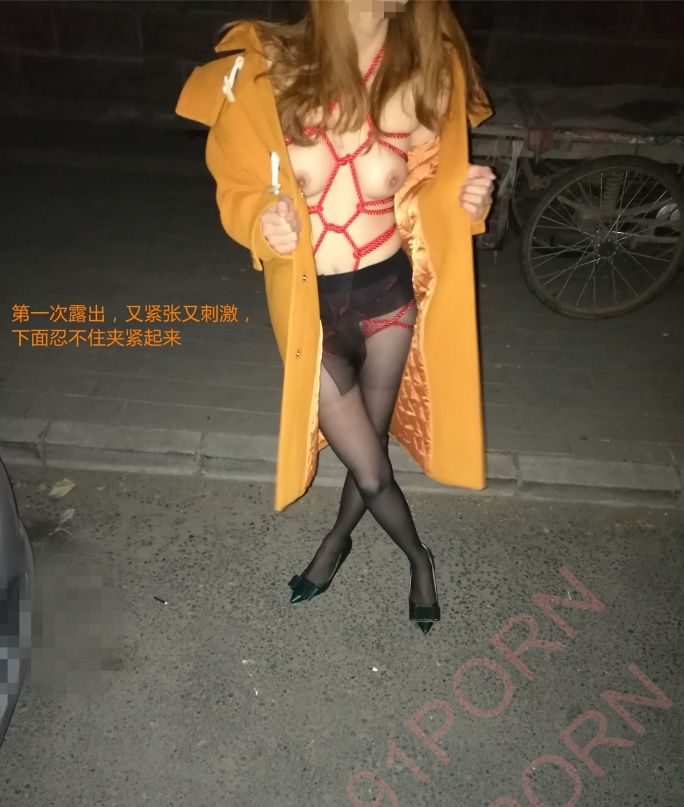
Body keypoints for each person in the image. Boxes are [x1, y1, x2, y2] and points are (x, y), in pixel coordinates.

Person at [175, 0, 495, 635]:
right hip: (309, 308)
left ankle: (338, 543)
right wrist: (260, 221)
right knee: (371, 470)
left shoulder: (426, 79)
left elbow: (434, 185)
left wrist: (468, 198)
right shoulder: (272, 72)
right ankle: (418, 558)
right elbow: (236, 179)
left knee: (368, 449)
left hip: (387, 298)